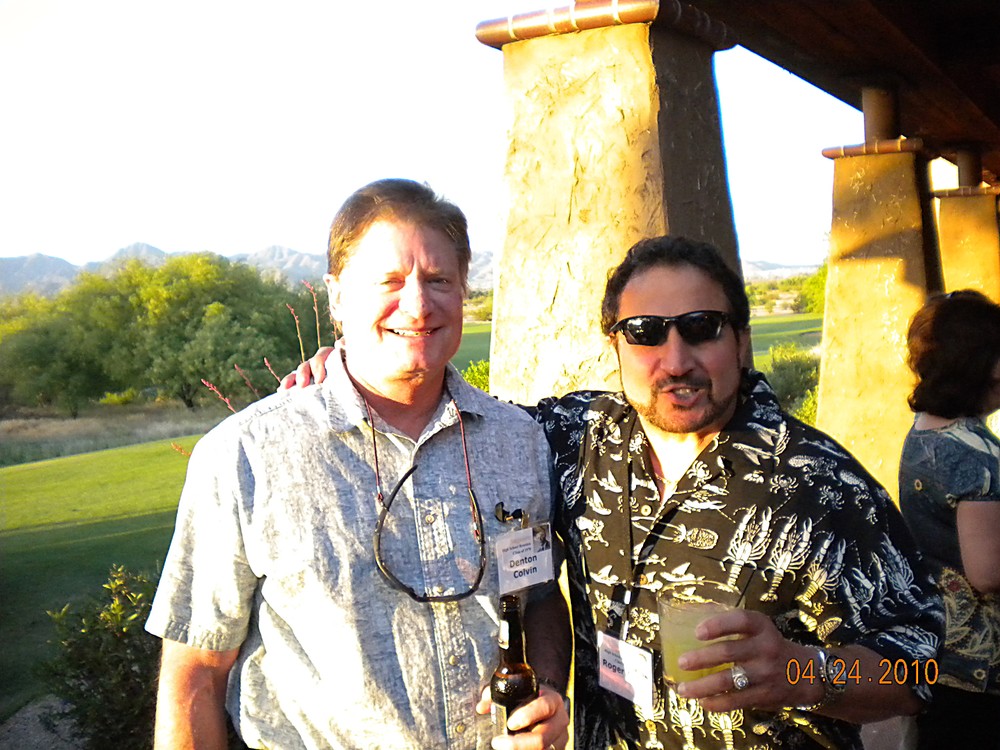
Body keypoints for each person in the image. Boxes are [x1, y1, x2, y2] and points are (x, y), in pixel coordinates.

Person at [286, 235, 944, 749]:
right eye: (646, 332)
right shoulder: (572, 437)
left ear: (741, 340)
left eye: (702, 327)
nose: (676, 359)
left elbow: (921, 671)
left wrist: (802, 671)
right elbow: (450, 418)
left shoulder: (822, 485)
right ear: (617, 346)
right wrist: (356, 368)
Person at [146, 178, 571, 750]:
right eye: (389, 281)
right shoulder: (246, 456)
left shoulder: (518, 442)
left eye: (439, 280)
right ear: (337, 297)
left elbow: (538, 597)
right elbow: (196, 669)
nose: (418, 305)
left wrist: (548, 690)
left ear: (463, 290)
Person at [898, 290, 1000, 749]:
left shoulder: (925, 432)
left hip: (938, 652)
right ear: (982, 365)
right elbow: (988, 572)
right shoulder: (975, 453)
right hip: (983, 672)